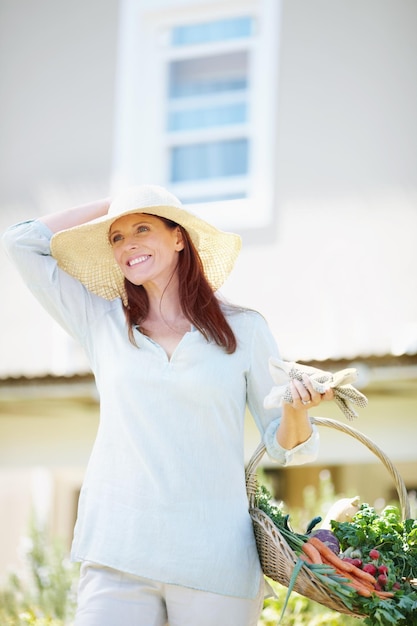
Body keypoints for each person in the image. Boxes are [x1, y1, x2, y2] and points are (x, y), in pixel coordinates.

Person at [2, 184, 333, 626]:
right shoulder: (100, 322)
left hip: (215, 562)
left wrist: (296, 410)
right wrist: (114, 204)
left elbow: (285, 445)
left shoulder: (244, 330)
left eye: (143, 227)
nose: (128, 242)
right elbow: (21, 242)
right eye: (116, 237)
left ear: (179, 237)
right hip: (118, 554)